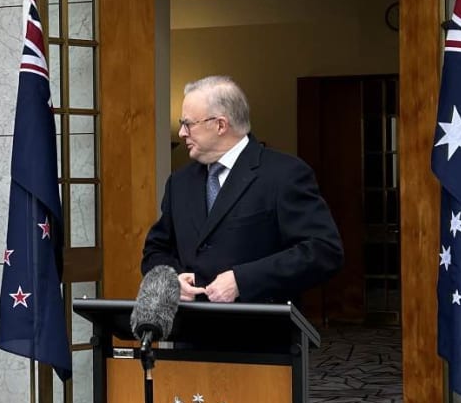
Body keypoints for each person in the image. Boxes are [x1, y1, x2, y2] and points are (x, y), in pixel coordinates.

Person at [142, 76, 343, 304]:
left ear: (220, 125)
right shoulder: (179, 182)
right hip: (191, 333)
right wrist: (171, 279)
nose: (181, 133)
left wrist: (243, 280)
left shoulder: (284, 174)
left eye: (188, 124)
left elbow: (323, 252)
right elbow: (155, 251)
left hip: (259, 333)